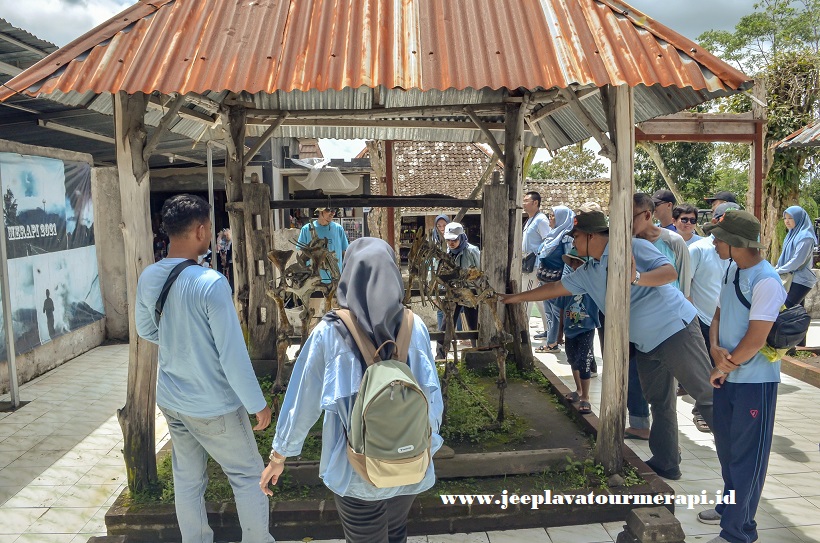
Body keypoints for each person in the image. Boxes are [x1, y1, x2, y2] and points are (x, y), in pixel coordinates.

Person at [500, 208, 714, 480]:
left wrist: (636, 278)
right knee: (659, 402)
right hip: (646, 343)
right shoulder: (588, 270)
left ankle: (738, 465)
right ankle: (666, 461)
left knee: (706, 396)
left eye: (576, 236)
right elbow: (554, 288)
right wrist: (512, 298)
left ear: (591, 236)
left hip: (675, 329)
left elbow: (669, 272)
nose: (573, 242)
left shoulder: (631, 247)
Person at [260, 237, 443, 543]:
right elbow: (431, 396)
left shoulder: (330, 331)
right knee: (396, 532)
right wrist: (427, 444)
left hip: (357, 469)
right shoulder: (415, 326)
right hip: (411, 462)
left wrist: (280, 454)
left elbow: (303, 400)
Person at [134, 194, 274, 543]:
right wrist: (257, 403)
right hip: (213, 403)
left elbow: (145, 330)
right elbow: (232, 355)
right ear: (200, 230)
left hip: (172, 399)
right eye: (209, 228)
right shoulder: (211, 283)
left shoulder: (149, 276)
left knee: (187, 479)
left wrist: (180, 341)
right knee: (248, 475)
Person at [697, 210, 786, 543]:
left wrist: (723, 365)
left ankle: (738, 531)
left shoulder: (766, 280)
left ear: (736, 243)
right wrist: (714, 347)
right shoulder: (732, 269)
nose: (714, 244)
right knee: (728, 451)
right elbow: (719, 314)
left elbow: (756, 338)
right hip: (729, 377)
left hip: (754, 383)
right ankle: (729, 508)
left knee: (748, 458)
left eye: (719, 239)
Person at [630, 193, 693, 438]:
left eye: (630, 217)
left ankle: (670, 444)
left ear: (647, 215)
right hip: (638, 324)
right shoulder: (627, 243)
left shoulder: (673, 241)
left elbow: (684, 285)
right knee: (638, 379)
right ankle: (641, 425)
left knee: (667, 390)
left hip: (669, 325)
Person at [556, 250, 600, 415]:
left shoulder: (593, 284)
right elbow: (562, 308)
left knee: (584, 361)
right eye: (573, 262)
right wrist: (559, 332)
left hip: (586, 329)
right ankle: (578, 389)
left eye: (579, 262)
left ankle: (585, 397)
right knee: (572, 359)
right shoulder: (566, 283)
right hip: (570, 330)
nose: (576, 266)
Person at [436, 222, 481, 359]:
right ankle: (440, 356)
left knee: (474, 324)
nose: (451, 243)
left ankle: (478, 353)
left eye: (454, 240)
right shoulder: (445, 253)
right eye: (448, 240)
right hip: (452, 293)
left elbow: (481, 272)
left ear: (461, 237)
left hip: (470, 293)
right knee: (446, 325)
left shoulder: (472, 251)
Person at [535, 206, 575, 353]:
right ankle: (551, 343)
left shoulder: (566, 238)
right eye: (550, 215)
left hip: (557, 283)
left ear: (562, 218)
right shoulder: (552, 235)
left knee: (559, 314)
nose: (550, 218)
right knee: (549, 313)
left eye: (553, 216)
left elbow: (569, 262)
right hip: (545, 280)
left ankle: (570, 344)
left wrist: (564, 284)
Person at [521, 192, 552, 337]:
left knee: (526, 297)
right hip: (527, 264)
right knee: (539, 299)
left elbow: (548, 243)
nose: (524, 203)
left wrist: (541, 265)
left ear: (535, 203)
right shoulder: (530, 220)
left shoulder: (541, 220)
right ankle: (549, 330)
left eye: (526, 200)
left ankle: (522, 332)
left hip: (534, 265)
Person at [775, 205, 818, 309]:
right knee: (796, 313)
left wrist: (778, 270)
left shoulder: (805, 237)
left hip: (801, 280)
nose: (787, 221)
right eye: (785, 218)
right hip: (792, 279)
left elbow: (797, 261)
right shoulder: (792, 234)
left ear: (799, 218)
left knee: (785, 309)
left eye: (790, 218)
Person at [297, 206, 350, 283]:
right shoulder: (306, 229)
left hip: (335, 280)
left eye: (334, 210)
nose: (332, 213)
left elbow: (344, 253)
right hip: (312, 281)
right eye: (329, 210)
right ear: (320, 211)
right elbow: (300, 255)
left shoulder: (338, 229)